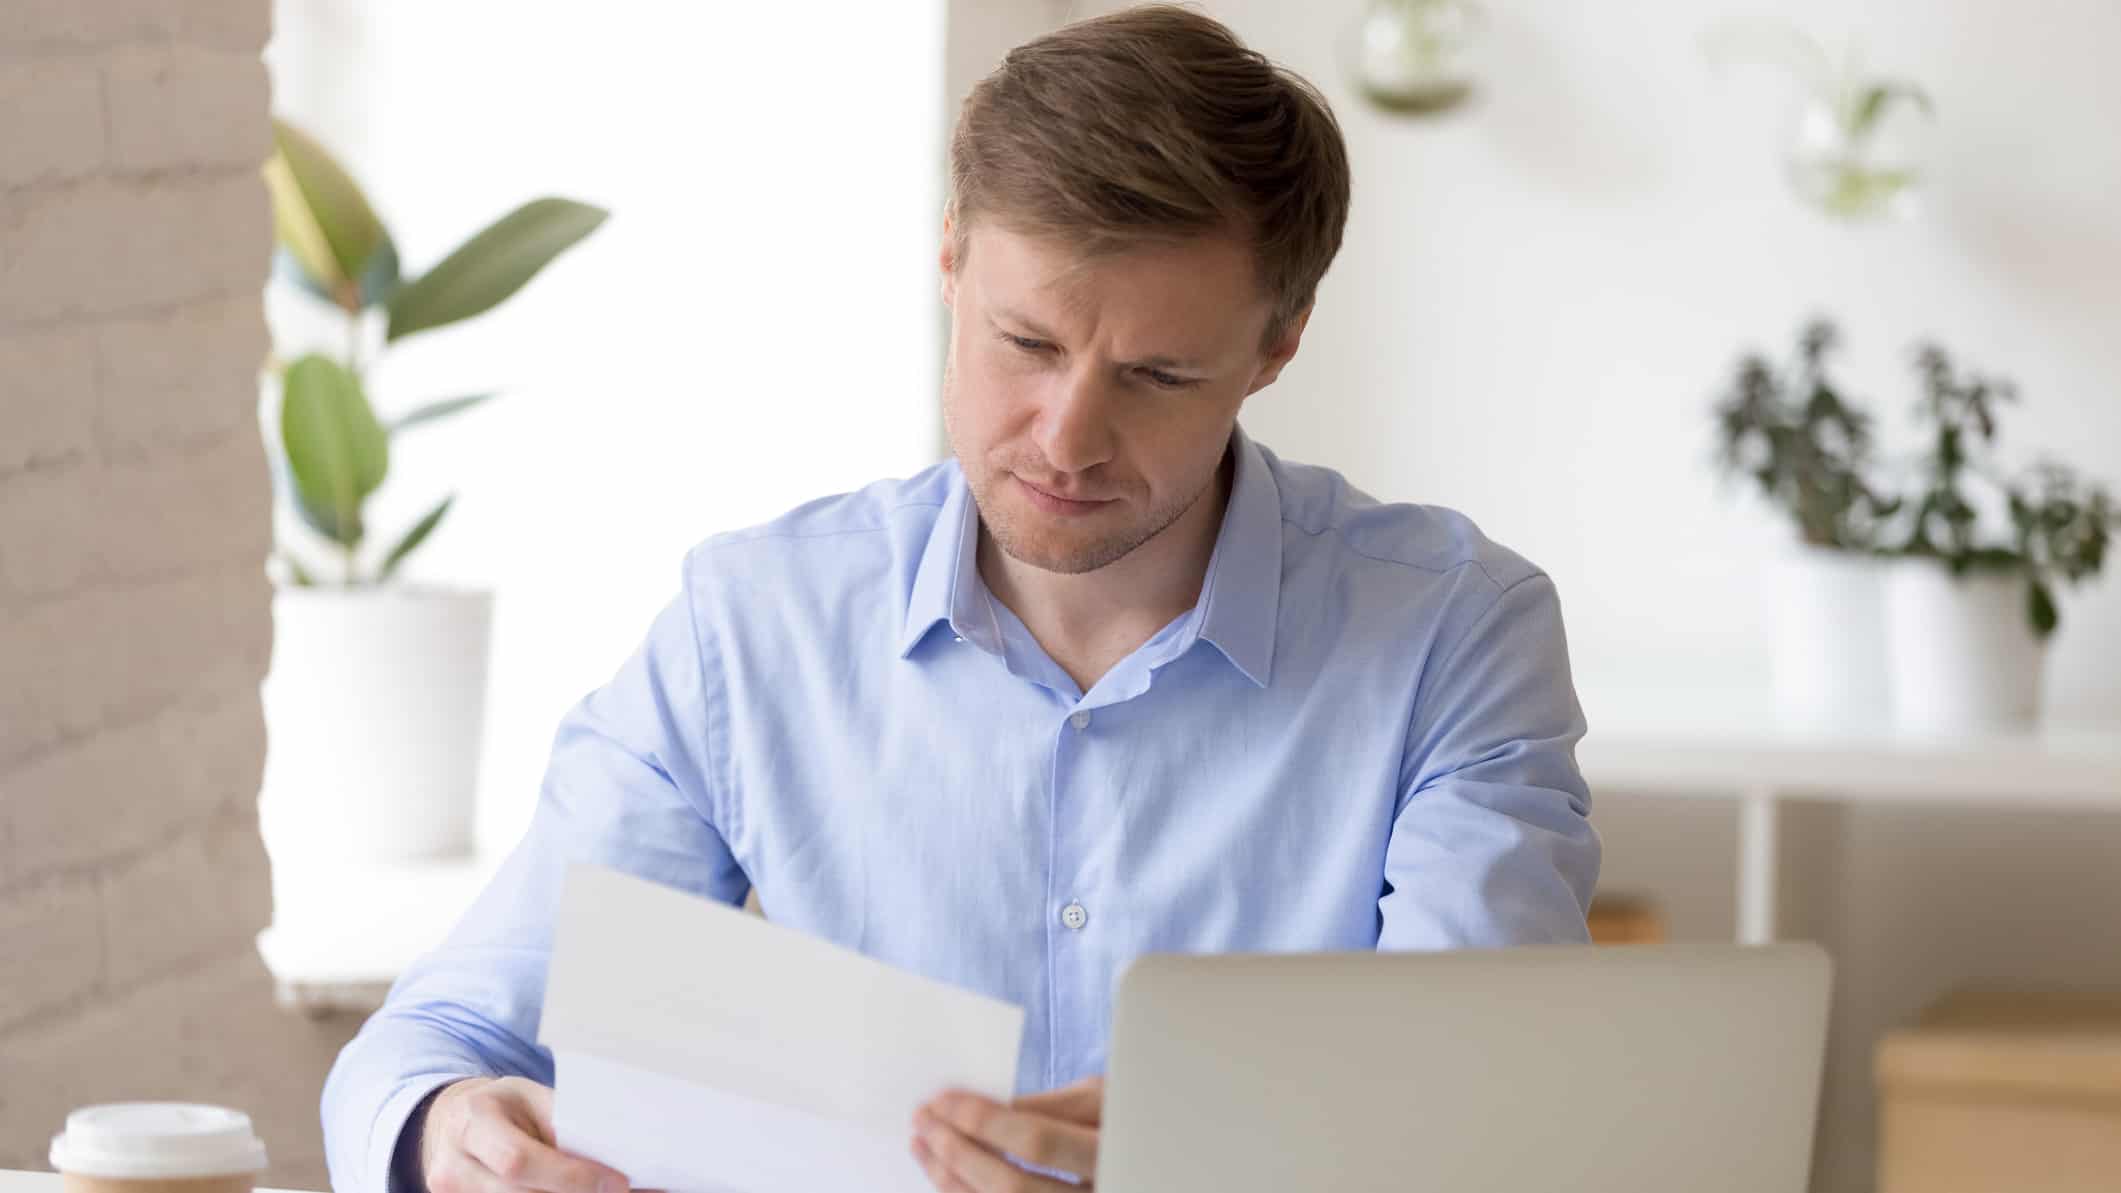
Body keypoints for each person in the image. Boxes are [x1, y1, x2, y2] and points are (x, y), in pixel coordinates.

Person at [321, 7, 1601, 1193]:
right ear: (949, 264)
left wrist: (1221, 1152)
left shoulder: (1452, 637)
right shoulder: (756, 628)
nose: (1067, 437)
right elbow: (436, 1037)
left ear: (1278, 345)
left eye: (1156, 372)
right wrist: (454, 1130)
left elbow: (1479, 1111)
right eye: (1026, 343)